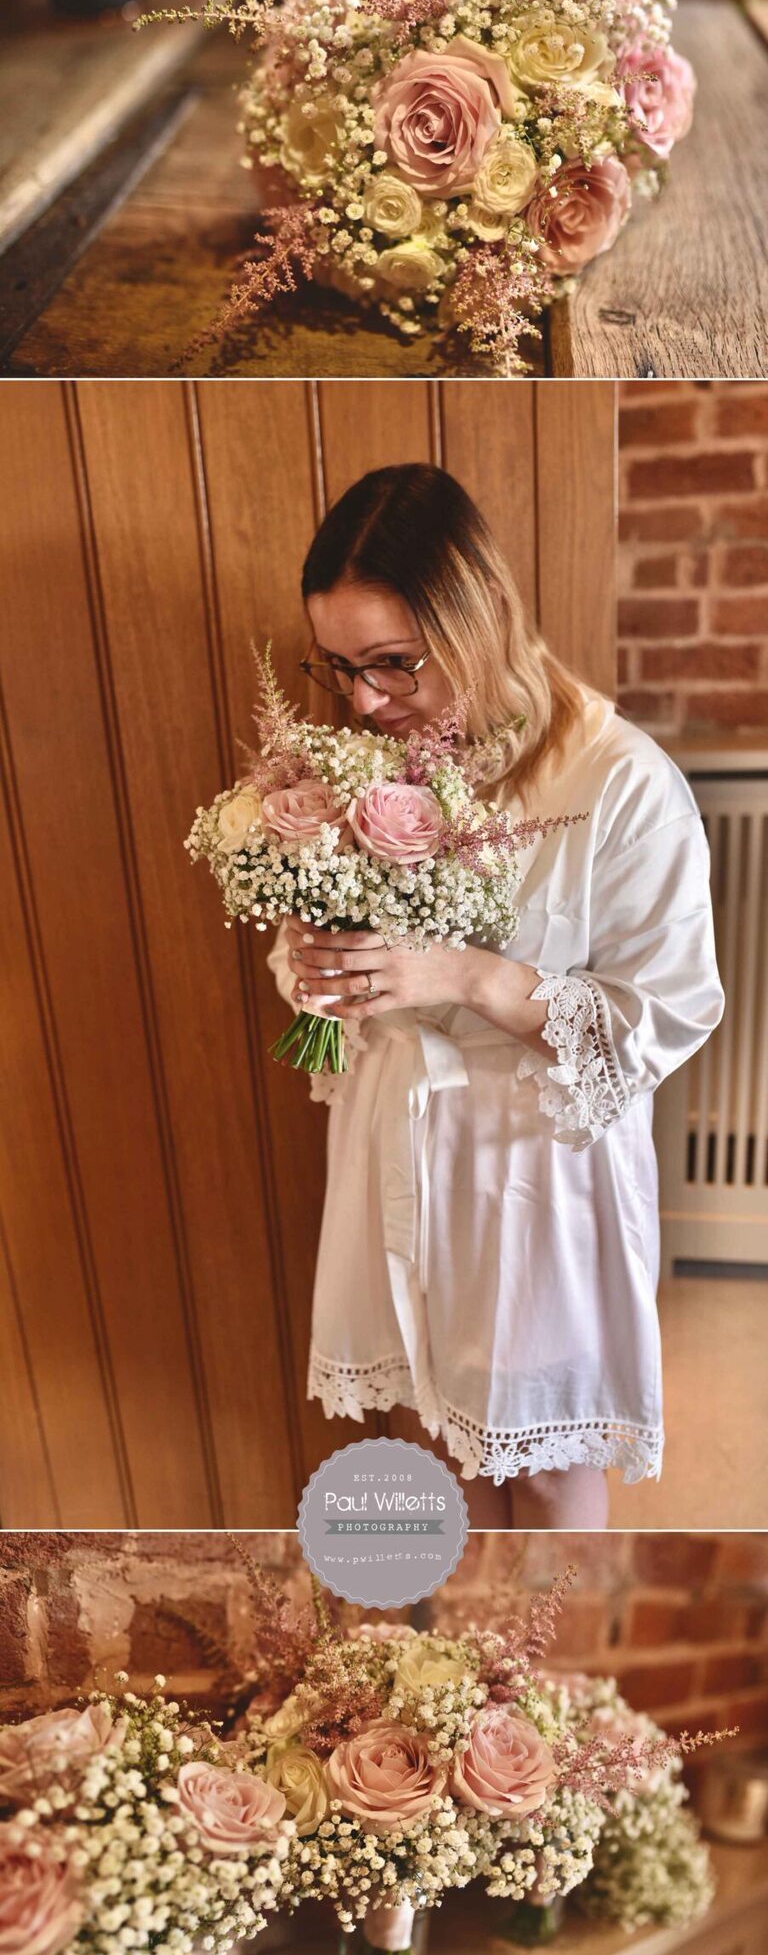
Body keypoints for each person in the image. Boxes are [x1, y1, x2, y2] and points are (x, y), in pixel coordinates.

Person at [266, 465, 724, 1528]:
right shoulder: (365, 767)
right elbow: (316, 947)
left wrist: (462, 972)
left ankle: (561, 1639)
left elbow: (661, 1013)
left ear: (477, 619)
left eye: (392, 663)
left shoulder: (620, 782)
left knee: (550, 1461)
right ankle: (477, 1637)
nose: (364, 702)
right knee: (442, 1437)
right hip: (400, 1148)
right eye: (340, 667)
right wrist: (316, 964)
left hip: (537, 1176)